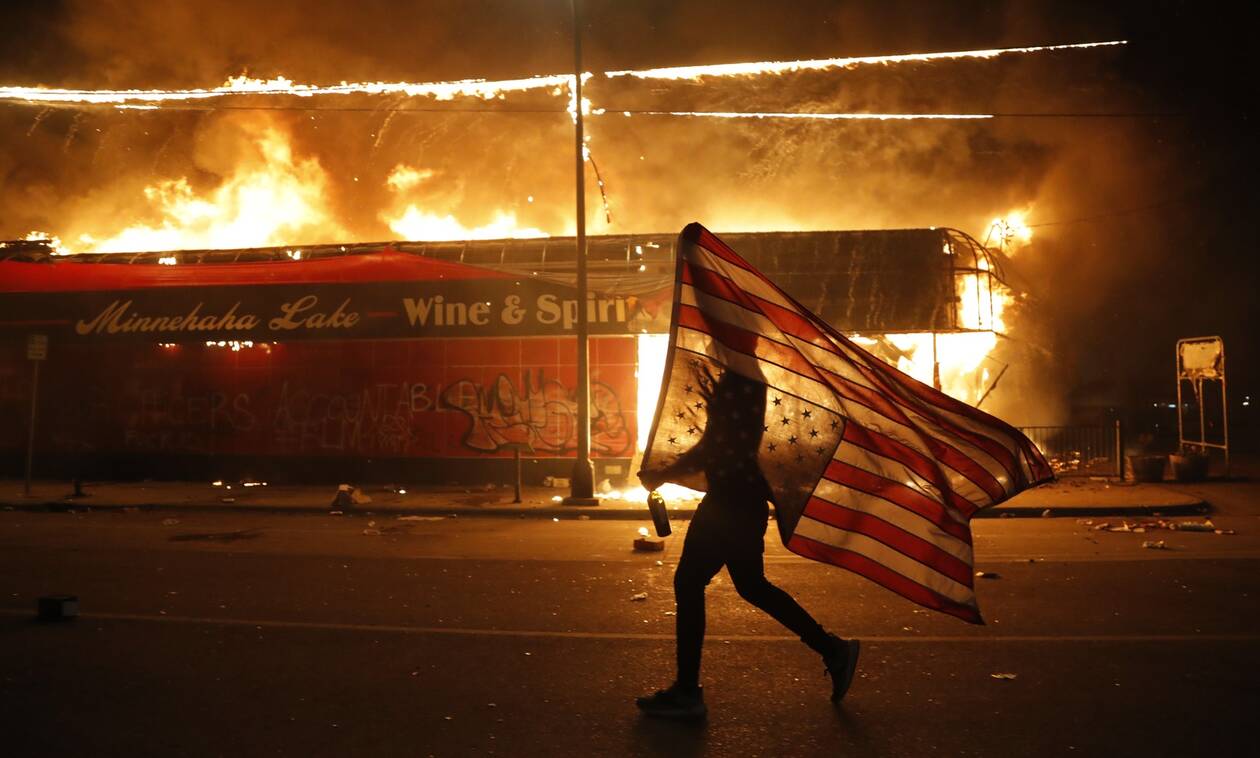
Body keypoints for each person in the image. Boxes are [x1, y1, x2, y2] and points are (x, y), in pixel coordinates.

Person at [636, 368, 860, 720]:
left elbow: (716, 446)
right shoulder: (743, 376)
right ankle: (832, 649)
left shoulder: (740, 378)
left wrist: (663, 473)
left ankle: (687, 693)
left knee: (690, 582)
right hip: (741, 499)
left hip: (731, 502)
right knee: (751, 585)